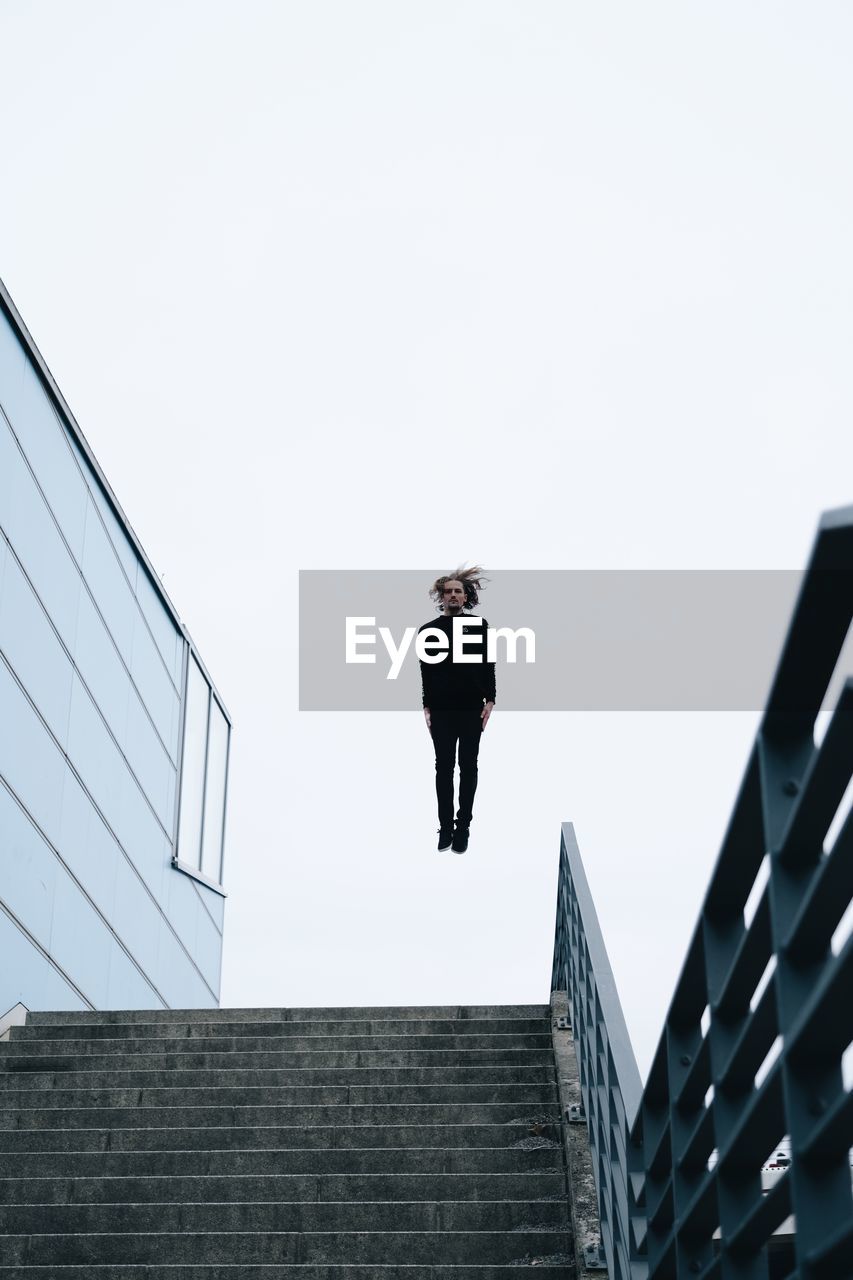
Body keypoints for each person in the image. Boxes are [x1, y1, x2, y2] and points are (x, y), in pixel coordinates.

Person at [419, 566, 496, 854]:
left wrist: (491, 699)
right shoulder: (429, 630)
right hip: (441, 709)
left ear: (466, 597)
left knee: (468, 766)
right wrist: (425, 704)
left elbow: (488, 664)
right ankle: (445, 827)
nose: (453, 595)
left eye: (458, 591)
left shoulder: (478, 626)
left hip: (470, 708)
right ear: (442, 596)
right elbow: (426, 670)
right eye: (448, 591)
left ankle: (463, 826)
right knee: (443, 768)